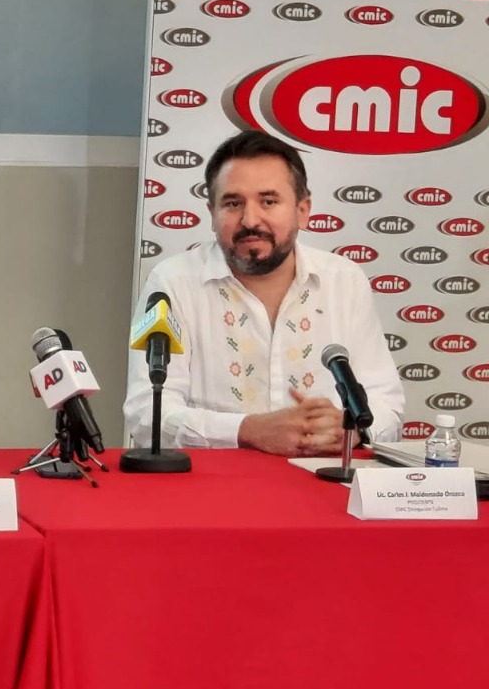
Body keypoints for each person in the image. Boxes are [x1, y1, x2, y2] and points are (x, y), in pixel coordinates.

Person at [123, 131, 404, 456]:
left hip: (320, 479)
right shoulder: (173, 282)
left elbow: (387, 404)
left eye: (268, 201)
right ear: (212, 213)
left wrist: (353, 429)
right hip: (213, 482)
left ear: (303, 210)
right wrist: (249, 430)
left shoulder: (344, 281)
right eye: (233, 203)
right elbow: (147, 415)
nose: (250, 220)